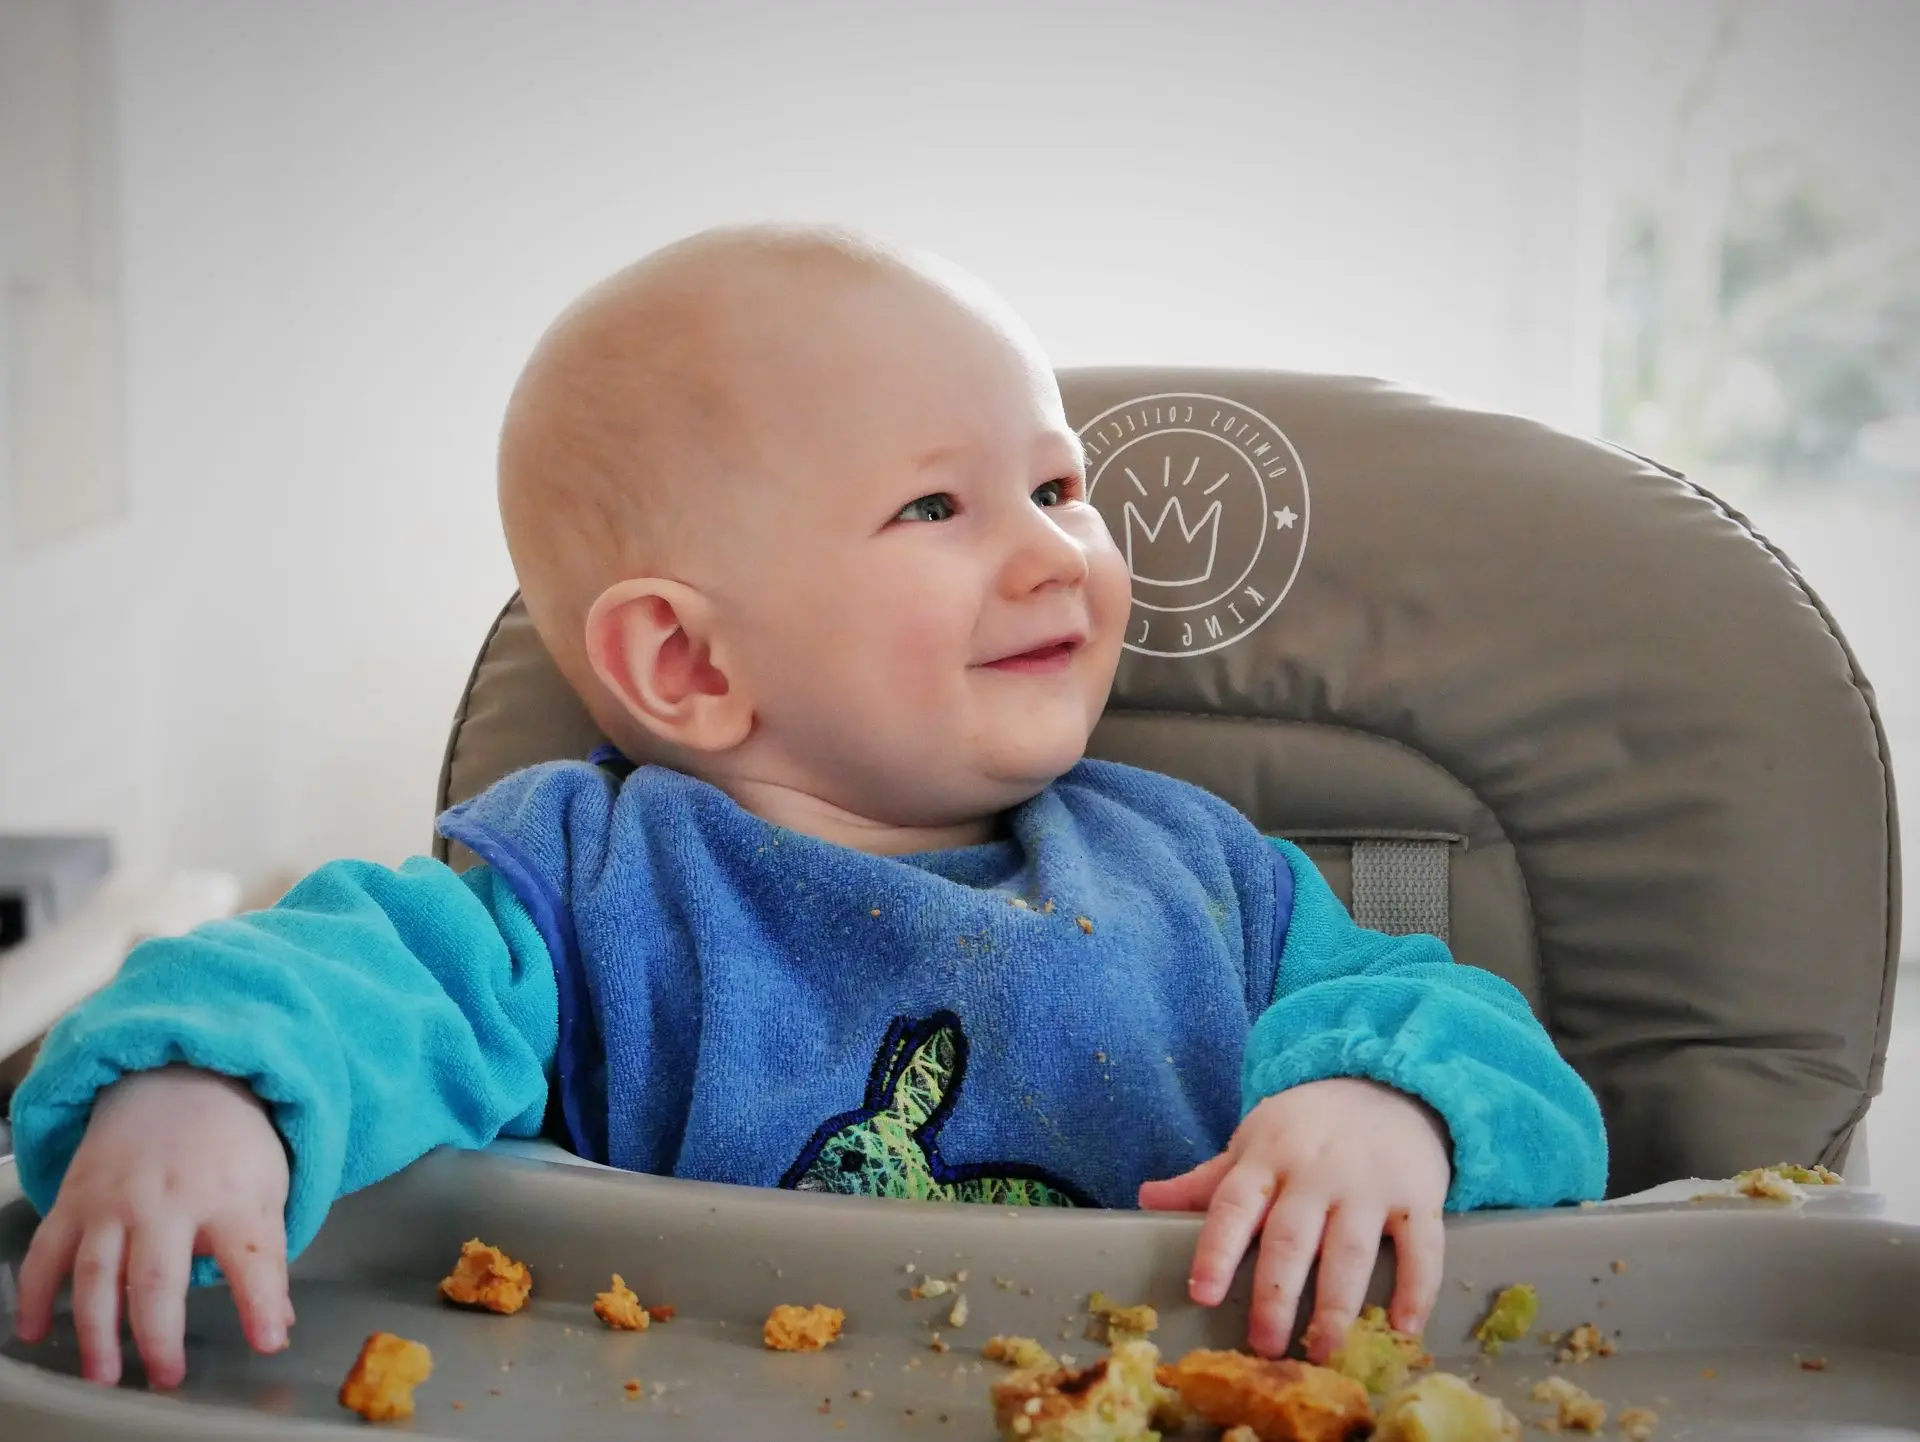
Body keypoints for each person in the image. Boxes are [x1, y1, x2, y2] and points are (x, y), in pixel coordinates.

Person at [9, 225, 1607, 1391]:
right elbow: (341, 974)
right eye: (937, 506)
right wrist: (201, 1089)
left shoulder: (1203, 875)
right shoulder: (579, 888)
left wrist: (1384, 1108)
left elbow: (1483, 1045)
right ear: (687, 659)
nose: (1059, 551)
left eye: (1057, 488)